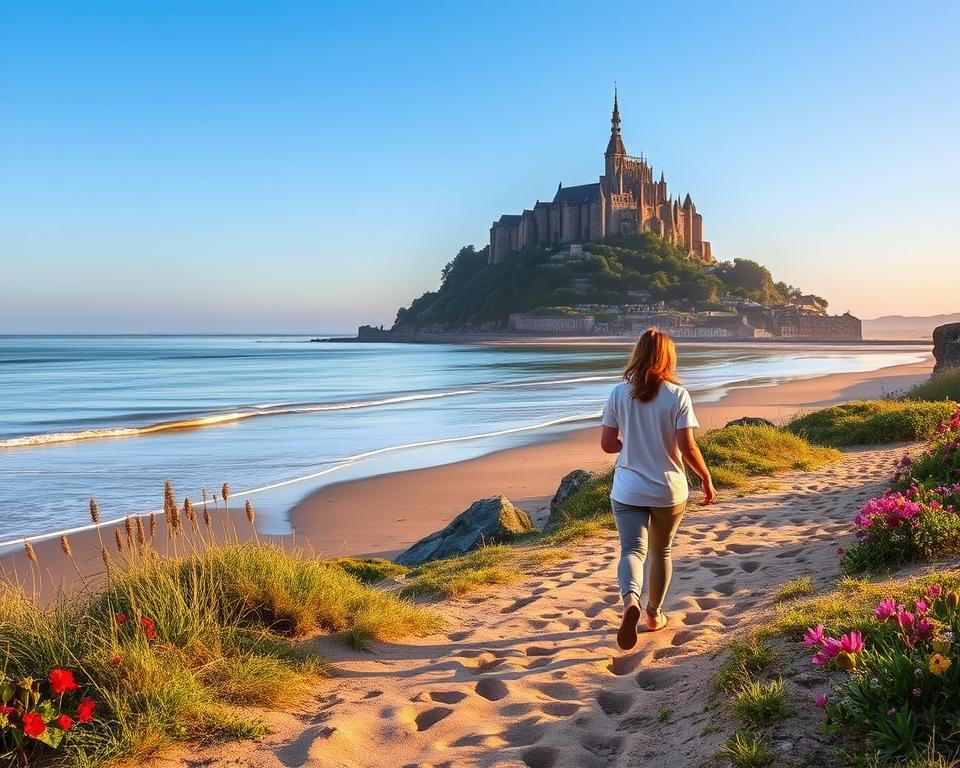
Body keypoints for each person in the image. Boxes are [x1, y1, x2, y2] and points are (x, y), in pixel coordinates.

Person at [600, 328, 715, 651]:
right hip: (668, 489)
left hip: (627, 489)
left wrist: (630, 446)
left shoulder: (617, 394)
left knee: (631, 551)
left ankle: (629, 601)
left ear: (637, 354)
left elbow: (607, 444)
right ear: (668, 357)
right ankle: (653, 615)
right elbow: (687, 447)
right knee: (661, 551)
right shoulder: (677, 395)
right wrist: (705, 477)